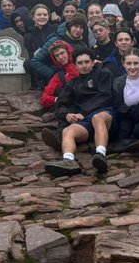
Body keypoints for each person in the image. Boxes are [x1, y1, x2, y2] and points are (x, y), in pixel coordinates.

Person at [46, 47, 116, 177]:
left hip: (104, 113)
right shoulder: (72, 84)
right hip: (84, 120)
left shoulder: (104, 74)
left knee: (97, 118)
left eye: (86, 62)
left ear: (93, 62)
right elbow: (61, 104)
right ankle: (68, 160)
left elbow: (105, 97)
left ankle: (100, 155)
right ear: (75, 65)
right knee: (68, 131)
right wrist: (66, 115)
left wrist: (84, 112)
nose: (84, 65)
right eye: (80, 63)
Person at [40, 40, 79, 109]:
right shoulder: (59, 76)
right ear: (55, 59)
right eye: (57, 55)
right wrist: (58, 99)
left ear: (68, 52)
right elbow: (44, 99)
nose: (60, 57)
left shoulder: (84, 63)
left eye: (62, 53)